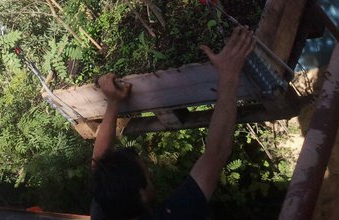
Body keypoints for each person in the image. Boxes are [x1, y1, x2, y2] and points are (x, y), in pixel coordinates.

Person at [90, 26, 255, 219]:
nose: (150, 173)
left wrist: (113, 103)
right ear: (141, 194)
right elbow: (217, 152)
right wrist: (229, 74)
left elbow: (99, 163)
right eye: (147, 173)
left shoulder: (108, 204)